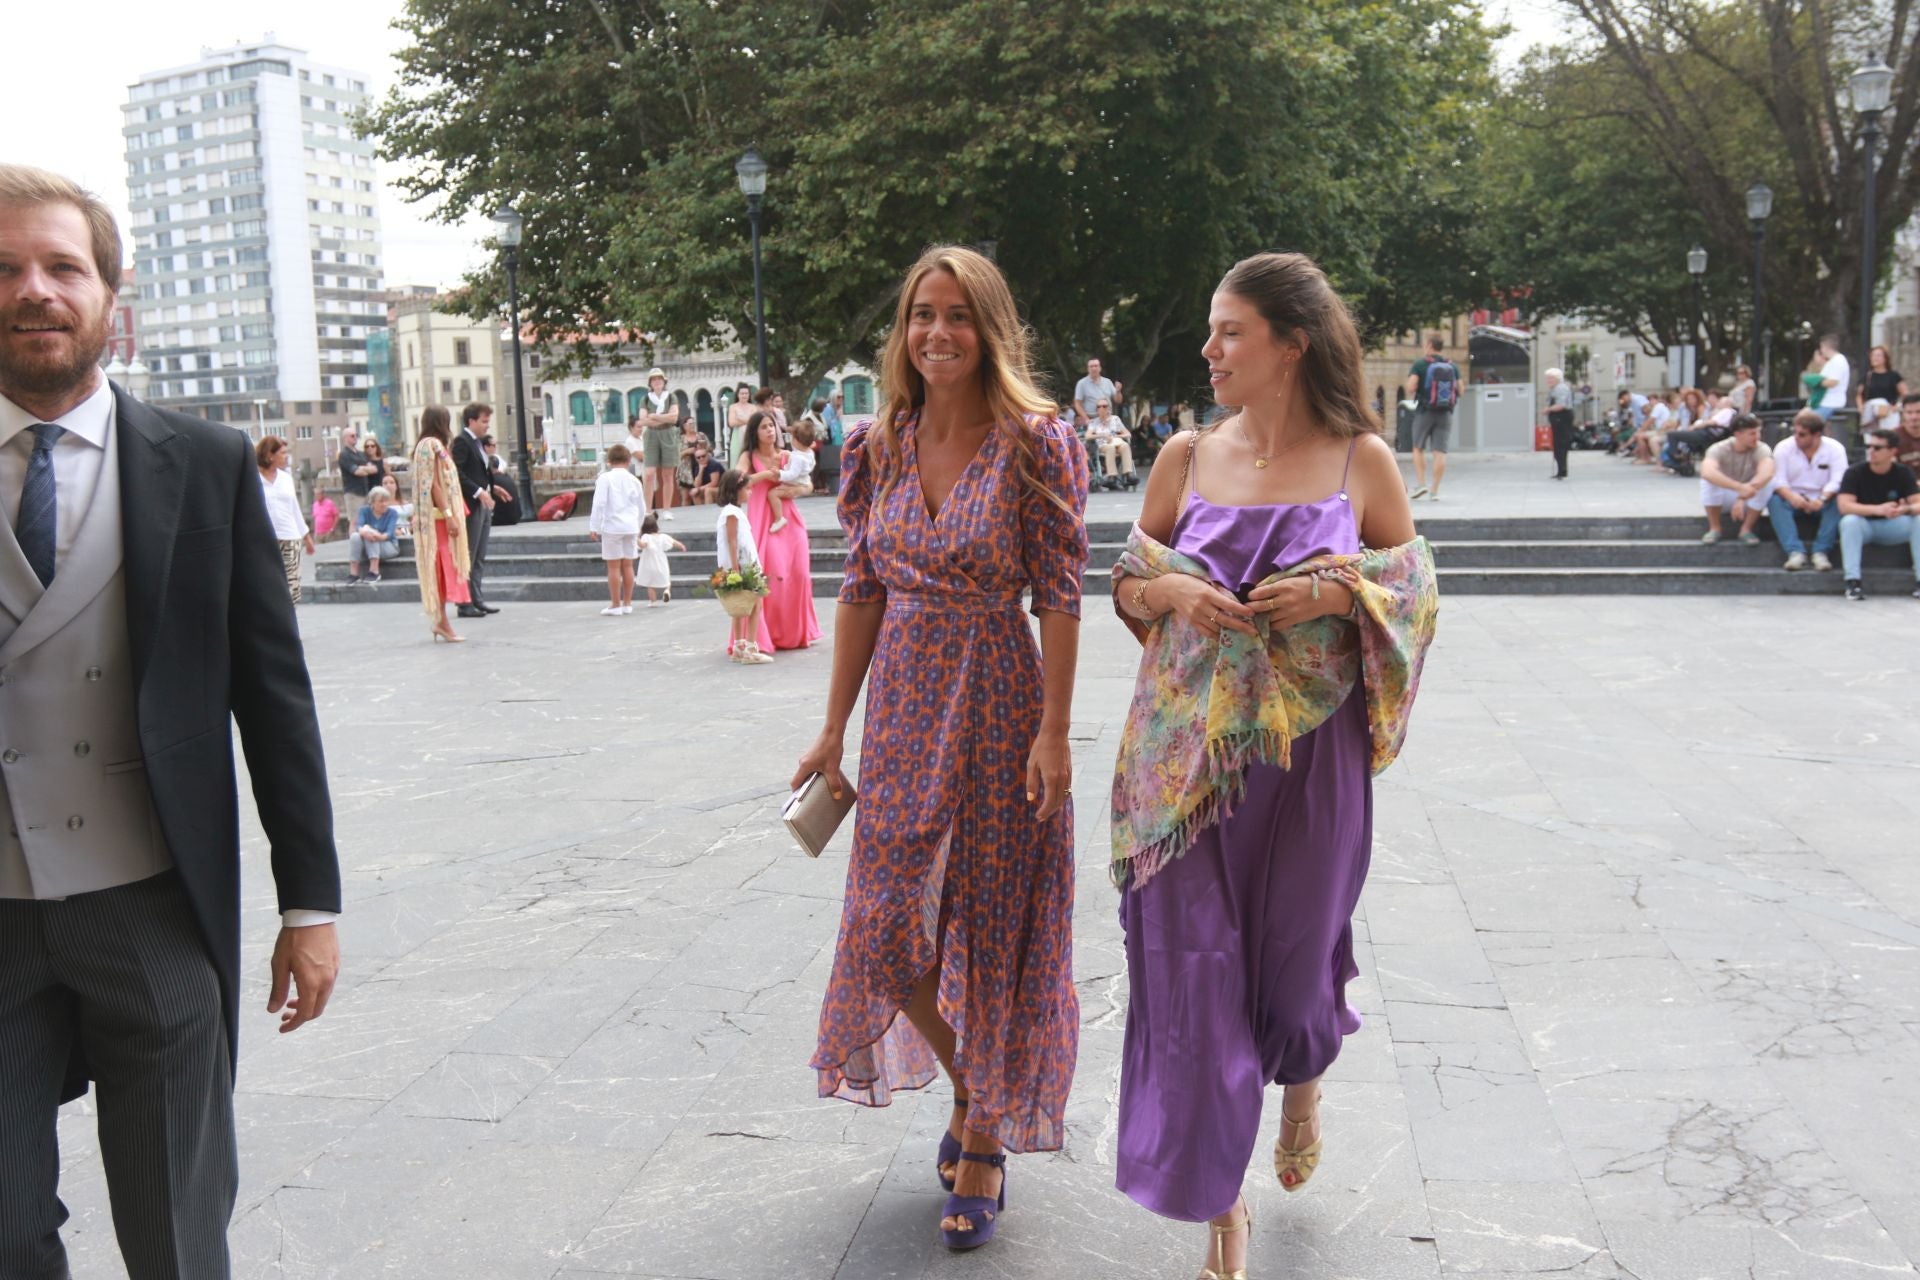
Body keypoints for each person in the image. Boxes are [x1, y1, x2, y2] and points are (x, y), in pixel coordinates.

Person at [0, 162, 341, 1278]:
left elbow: (273, 697)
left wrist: (310, 901)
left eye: (61, 266)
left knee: (178, 1232)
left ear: (112, 298)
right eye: (4, 269)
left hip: (153, 903)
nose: (33, 290)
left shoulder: (204, 463)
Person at [1106, 251, 1433, 1279]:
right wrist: (1171, 598)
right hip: (1187, 767)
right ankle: (1222, 1208)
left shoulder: (1360, 461)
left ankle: (1302, 1070)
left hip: (1311, 765)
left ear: (1291, 341)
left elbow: (1413, 590)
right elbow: (1124, 578)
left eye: (1229, 331)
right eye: (1211, 331)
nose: (1208, 349)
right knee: (1198, 976)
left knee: (1292, 979)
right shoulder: (1182, 456)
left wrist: (1340, 594)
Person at [791, 244, 1087, 1253]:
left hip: (1001, 698)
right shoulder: (880, 441)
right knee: (882, 923)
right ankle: (983, 1091)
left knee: (994, 923)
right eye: (923, 312)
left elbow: (1058, 591)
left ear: (990, 327)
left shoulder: (1038, 441)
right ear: (903, 329)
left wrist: (1054, 729)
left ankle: (984, 1135)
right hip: (906, 705)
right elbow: (861, 585)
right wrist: (833, 725)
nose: (938, 332)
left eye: (959, 314)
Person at [738, 409, 822, 651]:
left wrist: (798, 490)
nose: (770, 430)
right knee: (773, 573)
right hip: (764, 518)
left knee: (800, 573)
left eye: (772, 426)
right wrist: (766, 474)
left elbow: (808, 483)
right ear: (755, 432)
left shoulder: (786, 455)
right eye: (764, 427)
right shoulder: (748, 455)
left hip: (789, 517)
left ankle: (794, 633)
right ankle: (768, 634)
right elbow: (738, 480)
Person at [1836, 427, 1920, 601]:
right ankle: (1853, 582)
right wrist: (1877, 509)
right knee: (1849, 522)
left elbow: (1917, 502)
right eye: (1869, 446)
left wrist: (1904, 510)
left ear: (1892, 451)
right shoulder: (1855, 472)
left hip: (1893, 525)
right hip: (1865, 526)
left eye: (1877, 448)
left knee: (1919, 520)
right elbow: (1844, 506)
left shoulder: (1903, 473)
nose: (1871, 451)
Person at [411, 405, 473, 641]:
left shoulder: (422, 446)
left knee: (440, 568)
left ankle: (441, 621)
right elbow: (434, 484)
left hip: (434, 517)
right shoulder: (433, 446)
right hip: (439, 518)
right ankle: (442, 622)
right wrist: (449, 515)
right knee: (444, 567)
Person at [1768, 408, 1848, 571]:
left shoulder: (1835, 449)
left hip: (1824, 499)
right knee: (1773, 500)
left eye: (1802, 434)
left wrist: (1822, 499)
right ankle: (1795, 552)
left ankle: (1821, 552)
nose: (1796, 437)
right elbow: (1778, 480)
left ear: (1817, 434)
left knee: (1841, 500)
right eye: (1795, 432)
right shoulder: (1783, 447)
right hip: (1792, 499)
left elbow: (1838, 480)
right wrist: (1792, 498)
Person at [449, 401, 504, 617]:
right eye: (484, 421)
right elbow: (458, 474)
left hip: (483, 501)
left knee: (480, 554)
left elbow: (479, 471)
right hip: (472, 504)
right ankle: (464, 601)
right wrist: (478, 491)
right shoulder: (462, 442)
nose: (487, 426)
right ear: (471, 421)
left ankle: (476, 597)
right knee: (469, 554)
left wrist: (492, 488)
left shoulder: (477, 442)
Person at [714, 468, 771, 664]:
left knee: (739, 606)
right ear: (735, 490)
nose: (750, 492)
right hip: (743, 566)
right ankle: (751, 647)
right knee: (755, 605)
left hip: (741, 565)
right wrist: (736, 569)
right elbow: (732, 541)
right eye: (747, 489)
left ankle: (739, 645)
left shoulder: (733, 512)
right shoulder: (732, 513)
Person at [1697, 414, 1775, 544]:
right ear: (1738, 434)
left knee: (1768, 483)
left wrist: (1742, 496)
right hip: (1724, 496)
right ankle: (1715, 527)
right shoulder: (1719, 448)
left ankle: (1746, 529)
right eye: (1752, 433)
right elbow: (1707, 472)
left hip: (1750, 496)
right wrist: (1738, 488)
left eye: (1758, 433)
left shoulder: (1761, 448)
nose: (1757, 437)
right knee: (1707, 481)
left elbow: (1766, 472)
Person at [589, 442, 646, 615]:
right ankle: (627, 602)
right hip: (630, 526)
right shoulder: (634, 480)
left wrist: (594, 526)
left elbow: (599, 503)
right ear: (629, 460)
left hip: (613, 526)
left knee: (613, 567)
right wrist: (638, 526)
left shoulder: (605, 479)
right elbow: (641, 506)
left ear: (609, 461)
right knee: (628, 565)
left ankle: (615, 604)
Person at [255, 435, 313, 603]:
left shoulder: (286, 478)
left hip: (290, 537)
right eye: (282, 453)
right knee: (268, 585)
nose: (286, 456)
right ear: (269, 455)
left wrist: (307, 537)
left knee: (291, 587)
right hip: (265, 540)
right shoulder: (253, 479)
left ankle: (289, 625)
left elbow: (295, 509)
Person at [1404, 334, 1458, 499]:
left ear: (1428, 345)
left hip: (1424, 411)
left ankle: (1422, 484)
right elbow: (1460, 389)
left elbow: (1411, 387)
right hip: (1446, 413)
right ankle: (1434, 490)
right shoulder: (1452, 366)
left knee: (1418, 447)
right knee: (1439, 451)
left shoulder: (1420, 364)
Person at [637, 367, 681, 516]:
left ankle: (667, 509)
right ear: (650, 383)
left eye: (659, 379)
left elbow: (674, 418)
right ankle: (647, 509)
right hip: (652, 436)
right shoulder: (645, 399)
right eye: (654, 379)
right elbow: (642, 421)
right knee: (649, 473)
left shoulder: (671, 397)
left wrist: (654, 416)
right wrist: (664, 417)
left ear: (664, 381)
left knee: (668, 474)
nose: (657, 382)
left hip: (668, 434)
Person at [766, 416, 818, 532]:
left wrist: (779, 473)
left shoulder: (798, 458)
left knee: (772, 494)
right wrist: (790, 454)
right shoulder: (808, 452)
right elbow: (803, 462)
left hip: (795, 482)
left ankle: (779, 518)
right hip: (803, 480)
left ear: (797, 441)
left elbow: (792, 474)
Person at [346, 485, 402, 585]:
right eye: (381, 501)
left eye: (386, 501)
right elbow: (359, 526)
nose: (384, 504)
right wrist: (364, 532)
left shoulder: (392, 513)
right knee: (355, 536)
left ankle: (374, 571)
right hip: (368, 546)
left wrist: (375, 535)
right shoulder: (364, 511)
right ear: (372, 502)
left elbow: (388, 534)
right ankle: (354, 573)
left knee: (370, 535)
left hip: (389, 546)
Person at [1086, 397, 1138, 487]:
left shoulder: (1115, 419)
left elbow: (1127, 434)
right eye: (1099, 406)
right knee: (1110, 448)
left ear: (1109, 408)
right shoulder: (1094, 422)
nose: (1102, 408)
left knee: (1125, 445)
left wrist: (1116, 436)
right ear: (1097, 409)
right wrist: (1102, 435)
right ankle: (1112, 476)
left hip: (1117, 443)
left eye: (1104, 406)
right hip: (1103, 445)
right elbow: (1088, 436)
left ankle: (1128, 474)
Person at [635, 511, 684, 606]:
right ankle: (666, 591)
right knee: (666, 580)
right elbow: (674, 542)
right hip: (661, 563)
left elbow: (642, 545)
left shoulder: (646, 537)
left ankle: (653, 602)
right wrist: (681, 546)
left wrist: (635, 538)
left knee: (651, 584)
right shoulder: (663, 536)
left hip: (649, 564)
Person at [1802, 334, 1849, 421]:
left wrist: (1815, 381)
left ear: (1825, 346)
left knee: (1808, 425)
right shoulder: (1831, 362)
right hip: (1823, 402)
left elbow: (1833, 382)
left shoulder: (1838, 360)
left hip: (1830, 403)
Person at [336, 424, 377, 522]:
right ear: (345, 438)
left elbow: (374, 469)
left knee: (367, 520)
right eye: (352, 436)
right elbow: (357, 472)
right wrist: (365, 468)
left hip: (365, 491)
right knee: (355, 521)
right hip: (353, 493)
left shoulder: (361, 454)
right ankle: (354, 537)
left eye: (356, 435)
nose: (355, 438)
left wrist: (363, 468)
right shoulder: (344, 455)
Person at [482, 435, 522, 526]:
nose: (495, 448)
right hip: (516, 516)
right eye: (494, 445)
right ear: (485, 447)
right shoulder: (505, 475)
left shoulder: (492, 479)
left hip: (503, 518)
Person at [1858, 344, 1908, 414]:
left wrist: (1897, 406)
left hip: (1889, 413)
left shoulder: (1894, 376)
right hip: (1871, 413)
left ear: (1885, 358)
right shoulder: (1867, 376)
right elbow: (1859, 394)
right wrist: (1860, 407)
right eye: (1873, 355)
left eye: (1878, 356)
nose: (1875, 358)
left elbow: (1905, 393)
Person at [1543, 366, 1574, 479]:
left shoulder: (1560, 388)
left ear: (1557, 378)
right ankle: (1561, 469)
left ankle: (1562, 469)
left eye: (1550, 378)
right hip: (1559, 418)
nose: (1548, 381)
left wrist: (1548, 409)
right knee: (1559, 444)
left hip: (1561, 417)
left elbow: (1561, 405)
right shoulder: (1555, 388)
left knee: (1560, 444)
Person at [1074, 355, 1122, 423]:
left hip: (1108, 419)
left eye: (1096, 366)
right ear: (1088, 369)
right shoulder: (1081, 384)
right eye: (1091, 366)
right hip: (1091, 419)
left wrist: (1118, 391)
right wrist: (1086, 419)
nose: (1094, 368)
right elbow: (1077, 404)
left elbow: (1118, 401)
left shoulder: (1107, 382)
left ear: (1100, 368)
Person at [819, 390, 846, 494]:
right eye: (838, 397)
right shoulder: (828, 408)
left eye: (842, 397)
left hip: (837, 438)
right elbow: (827, 424)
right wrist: (836, 417)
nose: (840, 400)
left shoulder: (837, 409)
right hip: (830, 438)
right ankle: (827, 485)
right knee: (831, 462)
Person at [685, 438, 725, 504]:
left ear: (707, 456)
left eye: (703, 456)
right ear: (696, 459)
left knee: (708, 491)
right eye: (698, 457)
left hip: (722, 489)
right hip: (709, 488)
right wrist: (701, 470)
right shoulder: (698, 467)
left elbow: (714, 483)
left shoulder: (713, 464)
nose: (701, 459)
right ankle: (699, 513)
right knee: (695, 493)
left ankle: (707, 513)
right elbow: (696, 485)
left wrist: (698, 489)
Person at [725, 384, 755, 463]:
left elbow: (755, 422)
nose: (744, 395)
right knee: (736, 458)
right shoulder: (733, 407)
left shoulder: (753, 407)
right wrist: (749, 420)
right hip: (737, 436)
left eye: (746, 393)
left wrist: (740, 419)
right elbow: (732, 423)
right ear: (738, 394)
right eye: (742, 393)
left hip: (750, 435)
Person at [1893, 392, 1920, 475]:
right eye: (1909, 412)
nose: (1914, 417)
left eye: (1918, 412)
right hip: (1904, 485)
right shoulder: (1893, 437)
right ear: (1903, 414)